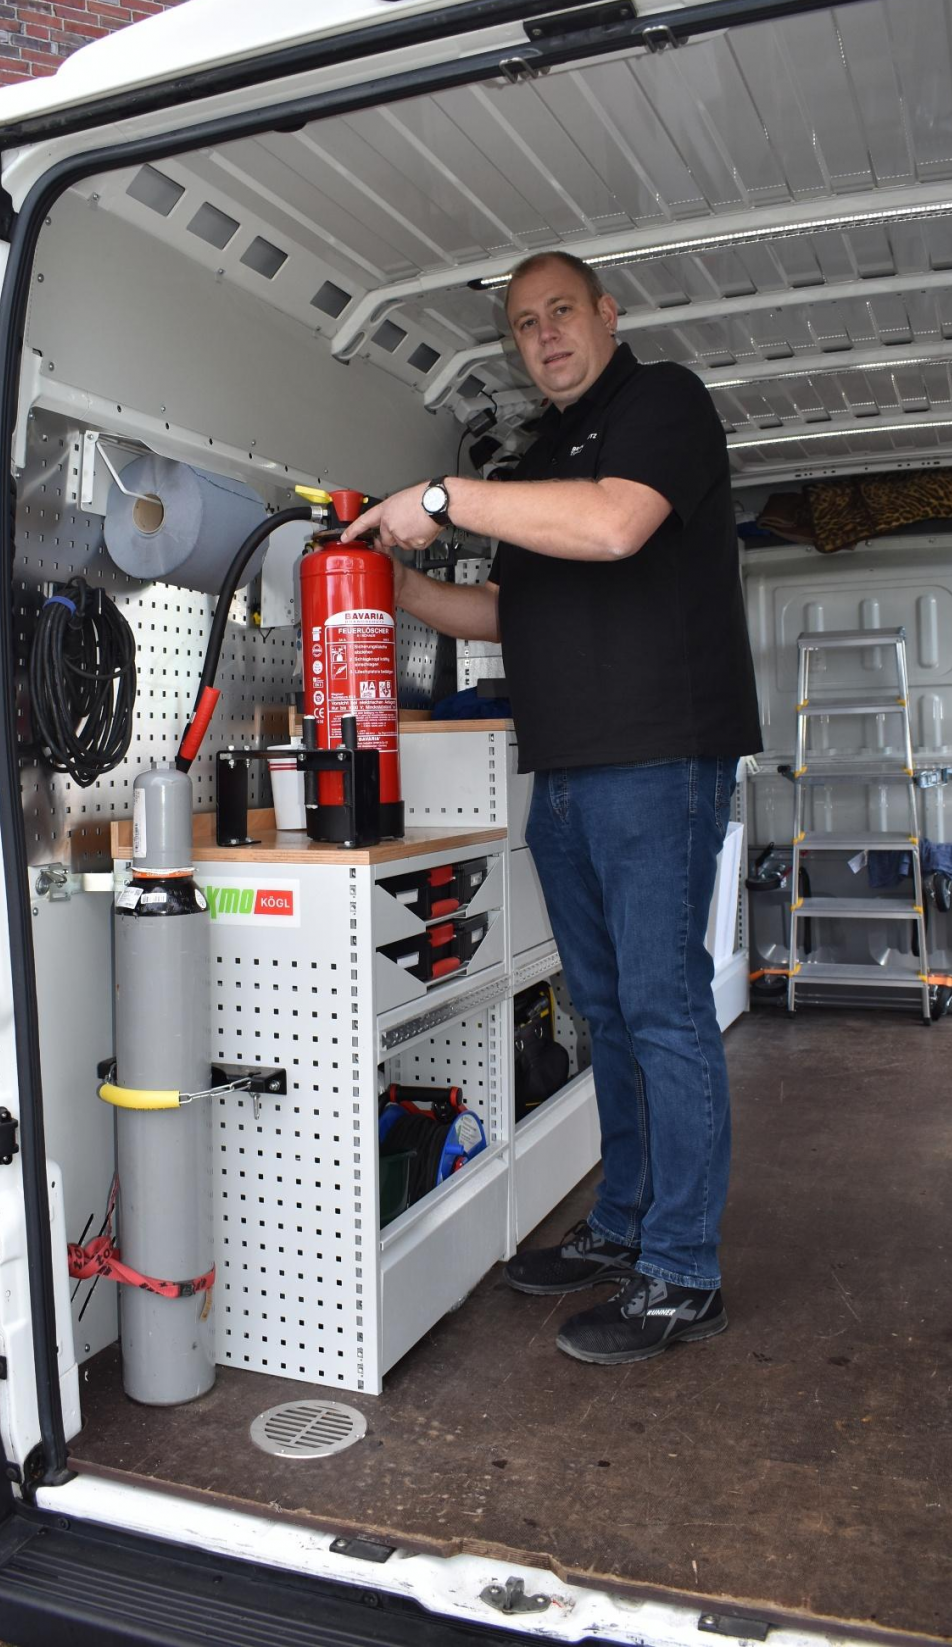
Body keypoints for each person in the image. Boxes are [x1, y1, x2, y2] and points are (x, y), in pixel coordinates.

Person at [340, 251, 762, 1365]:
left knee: (665, 1012)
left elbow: (618, 526)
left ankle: (683, 1272)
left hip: (659, 764)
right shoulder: (540, 459)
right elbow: (499, 614)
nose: (545, 335)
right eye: (525, 325)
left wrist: (441, 498)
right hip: (567, 775)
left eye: (561, 312)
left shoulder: (661, 403)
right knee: (609, 1013)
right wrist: (376, 575)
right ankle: (625, 1229)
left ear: (607, 315)